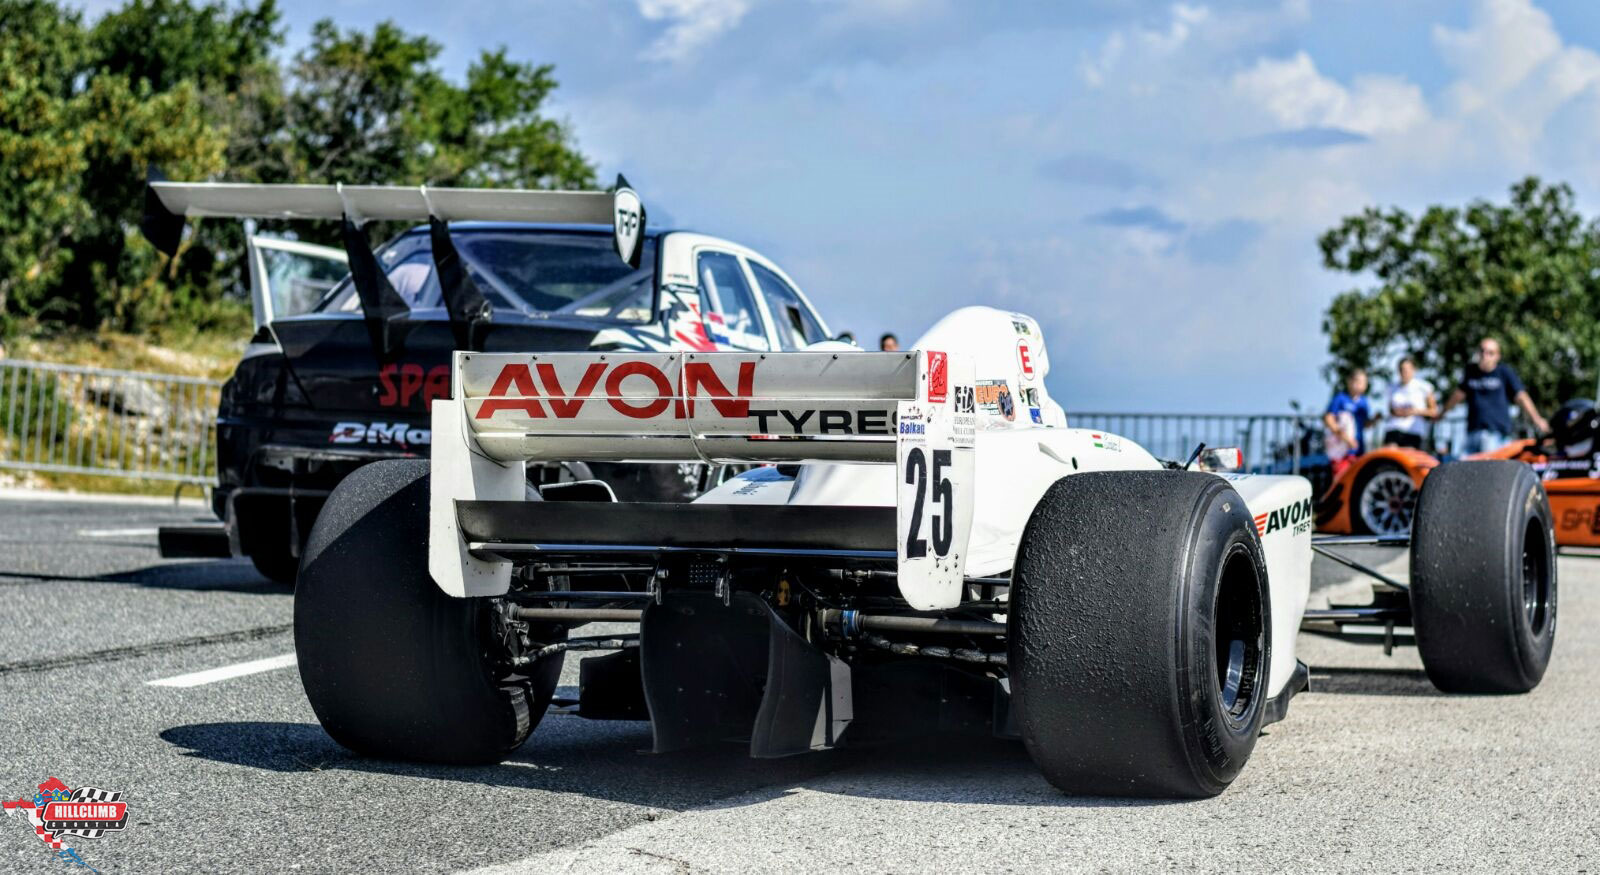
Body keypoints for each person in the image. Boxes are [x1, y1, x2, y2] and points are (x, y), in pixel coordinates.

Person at [1440, 337, 1549, 454]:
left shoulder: (1504, 372)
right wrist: (1441, 413)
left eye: (1490, 353)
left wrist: (1537, 419)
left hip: (1494, 434)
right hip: (1472, 433)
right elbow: (1457, 396)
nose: (1485, 355)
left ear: (1497, 356)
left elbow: (1521, 397)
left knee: (1488, 464)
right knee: (1464, 463)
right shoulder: (1471, 372)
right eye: (1482, 351)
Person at [1323, 368, 1379, 477]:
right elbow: (1329, 419)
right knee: (1342, 478)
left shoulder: (1364, 401)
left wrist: (1374, 420)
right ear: (1350, 381)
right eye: (1358, 381)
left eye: (1364, 382)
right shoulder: (1340, 398)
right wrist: (1345, 438)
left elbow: (1365, 424)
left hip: (1358, 449)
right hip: (1342, 450)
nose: (1361, 385)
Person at [1383, 356, 1437, 449]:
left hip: (1413, 431)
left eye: (1407, 370)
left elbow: (1433, 411)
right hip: (1394, 429)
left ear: (1414, 370)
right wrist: (1398, 412)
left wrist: (1415, 411)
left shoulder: (1424, 387)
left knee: (1407, 455)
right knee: (1390, 453)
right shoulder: (1392, 388)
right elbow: (1390, 410)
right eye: (1401, 370)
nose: (1404, 373)